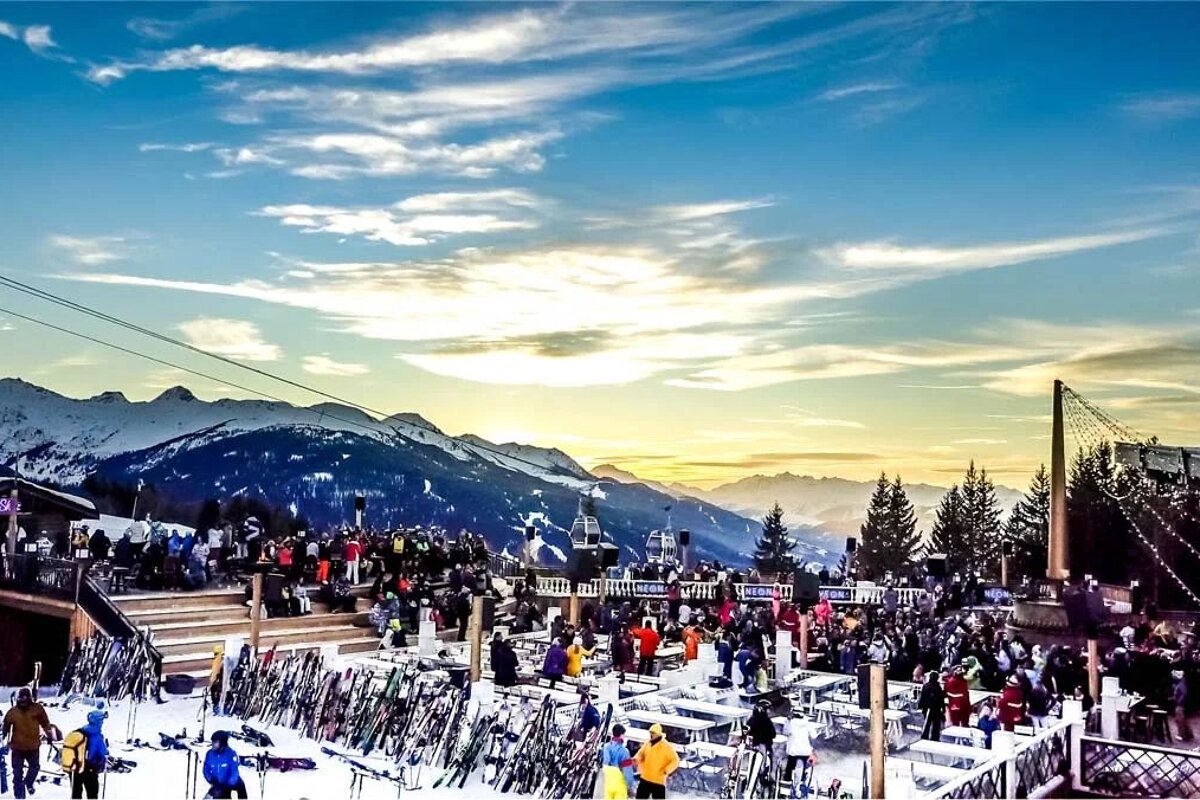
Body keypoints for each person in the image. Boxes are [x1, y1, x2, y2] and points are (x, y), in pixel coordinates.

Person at [2, 687, 56, 800]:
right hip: (17, 747)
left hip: (33, 747)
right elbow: (5, 727)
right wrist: (3, 739)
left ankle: (28, 783)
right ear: (18, 699)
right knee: (17, 774)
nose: (23, 701)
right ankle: (19, 796)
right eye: (21, 698)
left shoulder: (37, 709)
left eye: (25, 698)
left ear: (30, 698)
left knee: (35, 768)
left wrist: (50, 736)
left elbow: (45, 723)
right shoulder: (13, 712)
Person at [64, 709, 108, 800]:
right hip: (89, 769)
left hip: (75, 767)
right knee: (92, 793)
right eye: (102, 720)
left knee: (76, 793)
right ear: (99, 721)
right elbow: (104, 752)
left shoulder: (81, 731)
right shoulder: (97, 735)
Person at [632, 723, 679, 799]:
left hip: (658, 780)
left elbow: (675, 760)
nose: (651, 735)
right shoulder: (648, 743)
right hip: (645, 777)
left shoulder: (666, 746)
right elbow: (641, 754)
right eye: (650, 732)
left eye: (653, 733)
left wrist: (667, 770)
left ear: (658, 734)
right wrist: (636, 759)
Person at [203, 730, 247, 799]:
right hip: (218, 783)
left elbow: (234, 772)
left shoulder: (231, 754)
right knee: (209, 797)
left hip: (230, 783)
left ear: (222, 743)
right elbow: (206, 769)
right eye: (213, 742)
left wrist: (226, 786)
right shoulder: (210, 754)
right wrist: (211, 780)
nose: (213, 744)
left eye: (216, 742)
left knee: (241, 786)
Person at [601, 724, 636, 800]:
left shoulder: (606, 747)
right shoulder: (625, 751)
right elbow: (628, 771)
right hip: (620, 784)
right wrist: (630, 787)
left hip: (608, 782)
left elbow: (604, 763)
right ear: (621, 735)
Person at [784, 709, 816, 789]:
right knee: (804, 769)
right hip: (805, 751)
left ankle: (787, 784)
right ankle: (802, 783)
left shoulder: (790, 722)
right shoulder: (807, 722)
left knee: (789, 769)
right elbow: (814, 735)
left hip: (793, 751)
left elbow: (786, 732)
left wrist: (787, 722)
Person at [918, 670, 946, 741]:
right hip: (936, 708)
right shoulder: (938, 687)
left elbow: (922, 697)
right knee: (936, 724)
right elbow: (941, 699)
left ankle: (925, 736)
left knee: (927, 722)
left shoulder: (926, 686)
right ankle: (935, 737)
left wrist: (920, 706)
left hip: (927, 708)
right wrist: (943, 708)